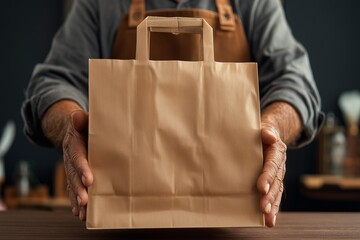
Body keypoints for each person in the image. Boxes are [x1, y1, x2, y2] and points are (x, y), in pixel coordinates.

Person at [22, 0, 323, 227]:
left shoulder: (254, 4)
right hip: (121, 224)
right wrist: (70, 127)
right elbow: (54, 82)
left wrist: (272, 127)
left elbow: (295, 81)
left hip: (231, 224)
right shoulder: (100, 4)